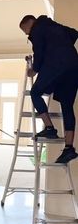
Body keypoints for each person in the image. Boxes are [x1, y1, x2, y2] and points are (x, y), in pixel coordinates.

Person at [20, 14, 78, 163]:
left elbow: (38, 53)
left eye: (25, 30)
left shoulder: (37, 29)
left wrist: (34, 69)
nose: (27, 34)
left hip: (56, 64)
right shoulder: (55, 26)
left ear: (30, 23)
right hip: (73, 66)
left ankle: (49, 128)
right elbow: (74, 33)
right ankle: (69, 148)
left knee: (35, 92)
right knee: (67, 105)